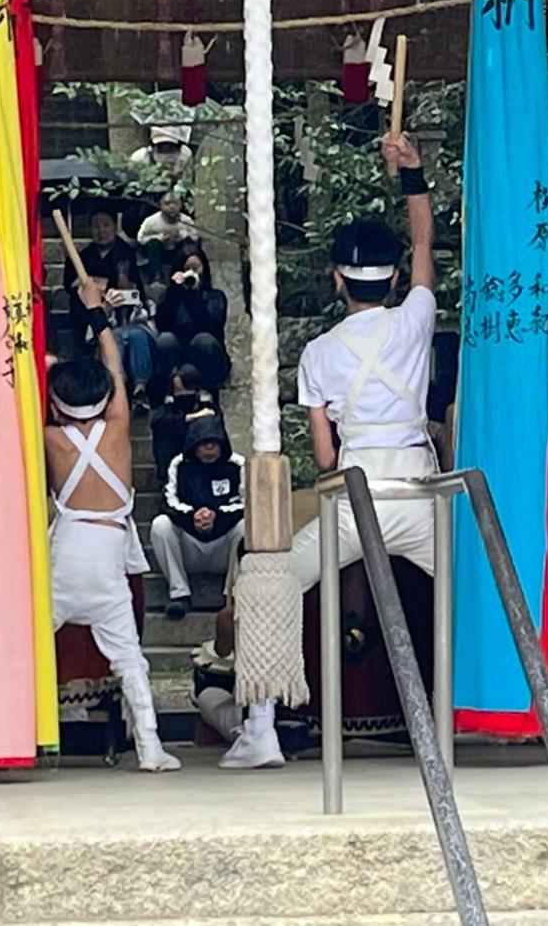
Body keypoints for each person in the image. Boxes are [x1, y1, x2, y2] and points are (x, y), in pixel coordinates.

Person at [222, 131, 438, 769]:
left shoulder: (318, 355)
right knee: (495, 588)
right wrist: (412, 173)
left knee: (275, 580)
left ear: (336, 278)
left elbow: (322, 457)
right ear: (395, 276)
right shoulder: (416, 318)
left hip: (358, 497)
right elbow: (424, 240)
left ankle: (262, 724)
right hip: (425, 492)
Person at [44, 316, 179, 772]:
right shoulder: (119, 426)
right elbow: (116, 369)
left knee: (30, 647)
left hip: (65, 552)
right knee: (129, 661)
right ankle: (151, 747)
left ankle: (8, 734)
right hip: (108, 553)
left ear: (57, 407)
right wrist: (97, 316)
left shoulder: (49, 437)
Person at [149, 406, 244, 619]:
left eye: (213, 442)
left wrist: (216, 516)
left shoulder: (237, 465)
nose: (209, 448)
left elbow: (246, 503)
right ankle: (179, 594)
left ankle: (234, 596)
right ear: (193, 443)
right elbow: (167, 501)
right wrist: (193, 516)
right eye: (203, 443)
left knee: (247, 527)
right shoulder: (179, 465)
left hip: (224, 548)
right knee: (160, 525)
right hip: (189, 545)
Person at [151, 244, 230, 392]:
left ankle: (208, 390)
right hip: (179, 358)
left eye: (195, 268)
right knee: (165, 339)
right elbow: (162, 325)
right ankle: (171, 385)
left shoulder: (216, 297)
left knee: (203, 340)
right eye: (186, 269)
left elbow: (212, 327)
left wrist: (194, 296)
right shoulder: (170, 297)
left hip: (207, 357)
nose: (191, 273)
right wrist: (174, 292)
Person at [61, 208, 139, 351]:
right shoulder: (85, 255)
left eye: (106, 225)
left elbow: (131, 288)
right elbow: (71, 283)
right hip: (89, 309)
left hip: (119, 309)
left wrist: (102, 284)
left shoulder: (127, 253)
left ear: (115, 227)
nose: (101, 231)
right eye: (96, 226)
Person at [147, 364, 211, 495]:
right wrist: (190, 418)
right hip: (173, 461)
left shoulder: (207, 407)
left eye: (187, 390)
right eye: (178, 392)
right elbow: (157, 422)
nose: (183, 395)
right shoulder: (168, 409)